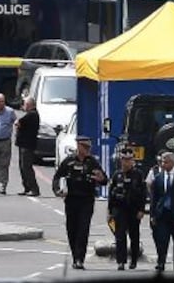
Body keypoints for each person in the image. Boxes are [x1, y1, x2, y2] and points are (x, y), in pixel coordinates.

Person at [52, 136, 107, 270]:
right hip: (71, 200)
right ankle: (75, 254)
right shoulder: (69, 161)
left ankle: (79, 259)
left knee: (83, 229)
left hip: (86, 200)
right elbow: (58, 177)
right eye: (85, 147)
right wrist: (58, 190)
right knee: (72, 229)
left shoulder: (92, 162)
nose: (87, 150)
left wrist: (100, 179)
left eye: (89, 147)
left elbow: (104, 179)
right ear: (78, 146)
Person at [108, 149, 147, 270]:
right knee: (120, 236)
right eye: (124, 160)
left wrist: (141, 210)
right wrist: (109, 211)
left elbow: (143, 194)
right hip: (119, 209)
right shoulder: (117, 175)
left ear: (132, 161)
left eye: (129, 160)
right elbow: (111, 194)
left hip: (134, 210)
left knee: (134, 236)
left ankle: (133, 260)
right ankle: (121, 261)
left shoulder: (138, 175)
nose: (126, 163)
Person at [15, 96, 41, 196]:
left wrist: (18, 125)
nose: (23, 106)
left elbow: (18, 122)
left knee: (26, 167)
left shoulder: (32, 114)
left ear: (29, 105)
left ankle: (34, 189)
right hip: (23, 144)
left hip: (27, 145)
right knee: (22, 167)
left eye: (25, 104)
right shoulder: (30, 114)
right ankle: (27, 187)